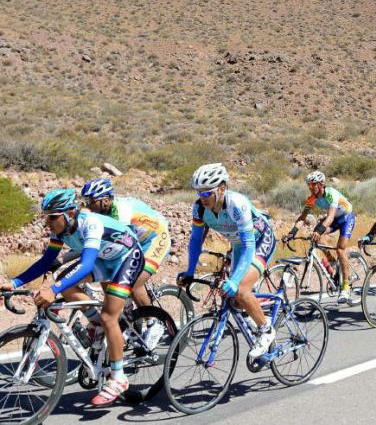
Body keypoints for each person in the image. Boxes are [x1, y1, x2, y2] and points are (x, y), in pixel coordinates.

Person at [3, 189, 143, 406]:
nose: (47, 222)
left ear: (69, 213)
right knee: (63, 279)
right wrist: (14, 283)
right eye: (45, 216)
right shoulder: (59, 231)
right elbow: (45, 262)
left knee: (109, 318)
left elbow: (86, 264)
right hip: (104, 259)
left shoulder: (91, 224)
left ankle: (118, 377)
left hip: (126, 257)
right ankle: (95, 323)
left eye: (52, 217)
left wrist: (53, 290)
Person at [177, 163, 276, 362]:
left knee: (240, 288)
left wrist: (235, 280)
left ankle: (266, 330)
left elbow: (249, 247)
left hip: (259, 241)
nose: (202, 198)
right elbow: (196, 240)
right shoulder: (199, 208)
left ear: (222, 189)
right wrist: (189, 271)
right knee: (235, 297)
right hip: (239, 244)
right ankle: (251, 315)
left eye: (207, 194)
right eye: (199, 193)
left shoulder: (236, 204)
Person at [81, 178, 171, 308]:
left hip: (155, 239)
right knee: (108, 278)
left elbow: (131, 248)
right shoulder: (101, 214)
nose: (88, 206)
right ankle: (126, 312)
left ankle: (154, 323)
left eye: (90, 201)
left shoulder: (122, 211)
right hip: (136, 240)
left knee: (132, 283)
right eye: (85, 201)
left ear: (105, 200)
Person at [286, 171, 356, 304]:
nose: (311, 188)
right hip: (335, 218)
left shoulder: (331, 194)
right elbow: (302, 217)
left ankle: (346, 287)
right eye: (309, 186)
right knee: (316, 236)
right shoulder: (311, 198)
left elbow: (329, 217)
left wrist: (319, 229)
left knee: (340, 250)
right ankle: (332, 262)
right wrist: (293, 231)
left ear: (320, 184)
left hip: (346, 217)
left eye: (313, 185)